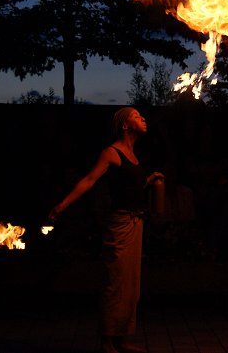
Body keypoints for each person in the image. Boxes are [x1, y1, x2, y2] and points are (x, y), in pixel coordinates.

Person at [49, 107, 164, 353]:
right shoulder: (111, 153)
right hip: (120, 224)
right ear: (125, 125)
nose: (143, 118)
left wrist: (147, 181)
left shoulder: (133, 155)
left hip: (136, 222)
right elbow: (89, 180)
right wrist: (62, 205)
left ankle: (121, 338)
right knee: (115, 281)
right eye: (136, 116)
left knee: (131, 285)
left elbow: (129, 189)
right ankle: (106, 340)